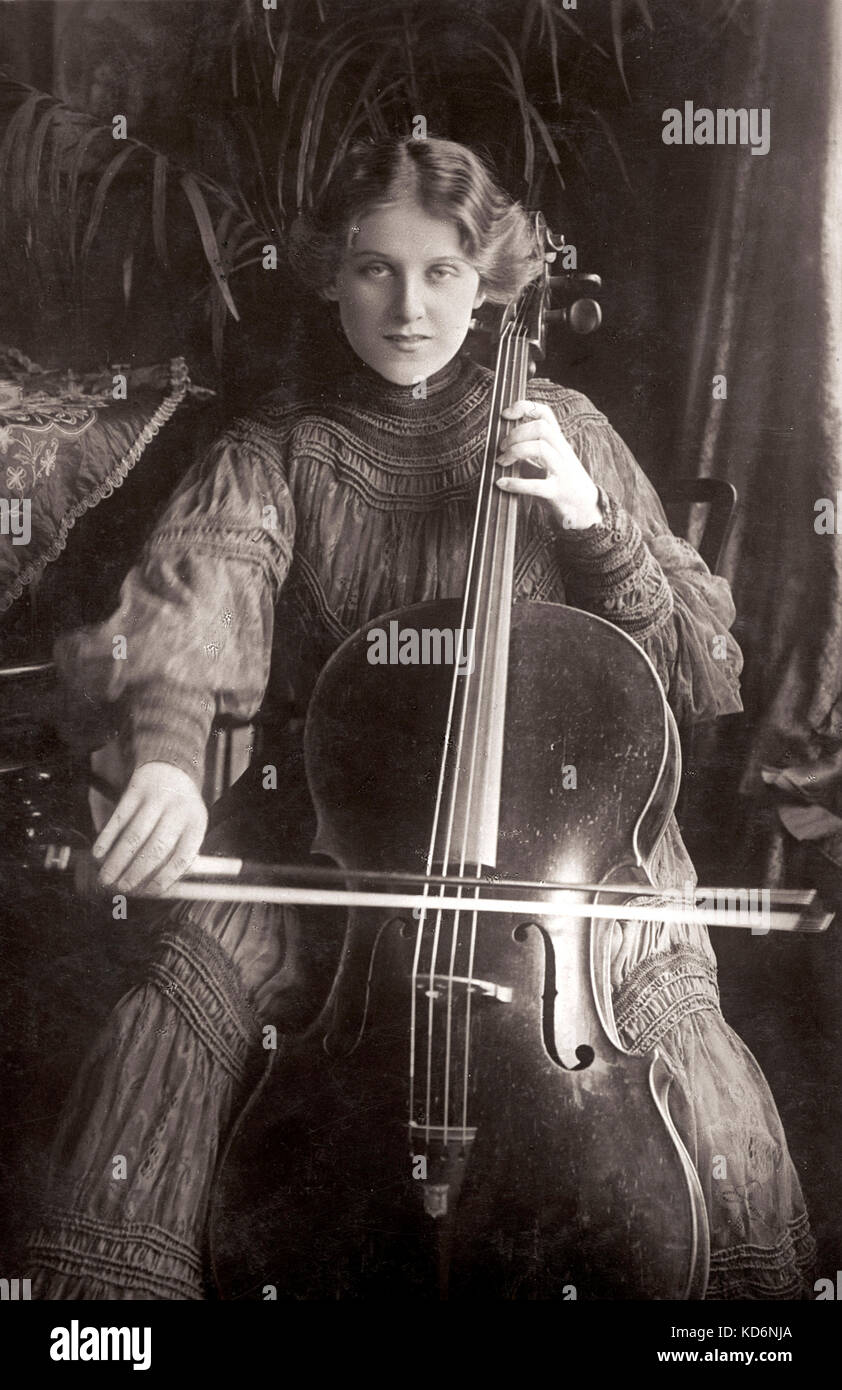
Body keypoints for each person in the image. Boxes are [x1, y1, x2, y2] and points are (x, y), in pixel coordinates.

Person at [27, 135, 814, 1300]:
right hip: (335, 838)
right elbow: (205, 583)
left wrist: (592, 521)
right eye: (373, 270)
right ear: (329, 277)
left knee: (687, 1058)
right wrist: (169, 758)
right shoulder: (277, 450)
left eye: (442, 272)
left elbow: (698, 662)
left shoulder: (567, 428)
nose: (406, 307)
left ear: (490, 281)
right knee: (173, 1013)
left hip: (574, 857)